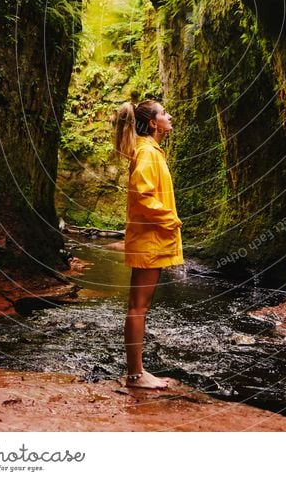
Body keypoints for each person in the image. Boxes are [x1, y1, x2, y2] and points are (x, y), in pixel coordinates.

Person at [114, 99, 182, 389]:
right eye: (164, 113)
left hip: (149, 238)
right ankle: (135, 375)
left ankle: (137, 372)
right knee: (138, 307)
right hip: (150, 239)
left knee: (138, 306)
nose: (169, 116)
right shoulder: (146, 153)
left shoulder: (150, 151)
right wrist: (171, 219)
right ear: (153, 123)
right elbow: (142, 195)